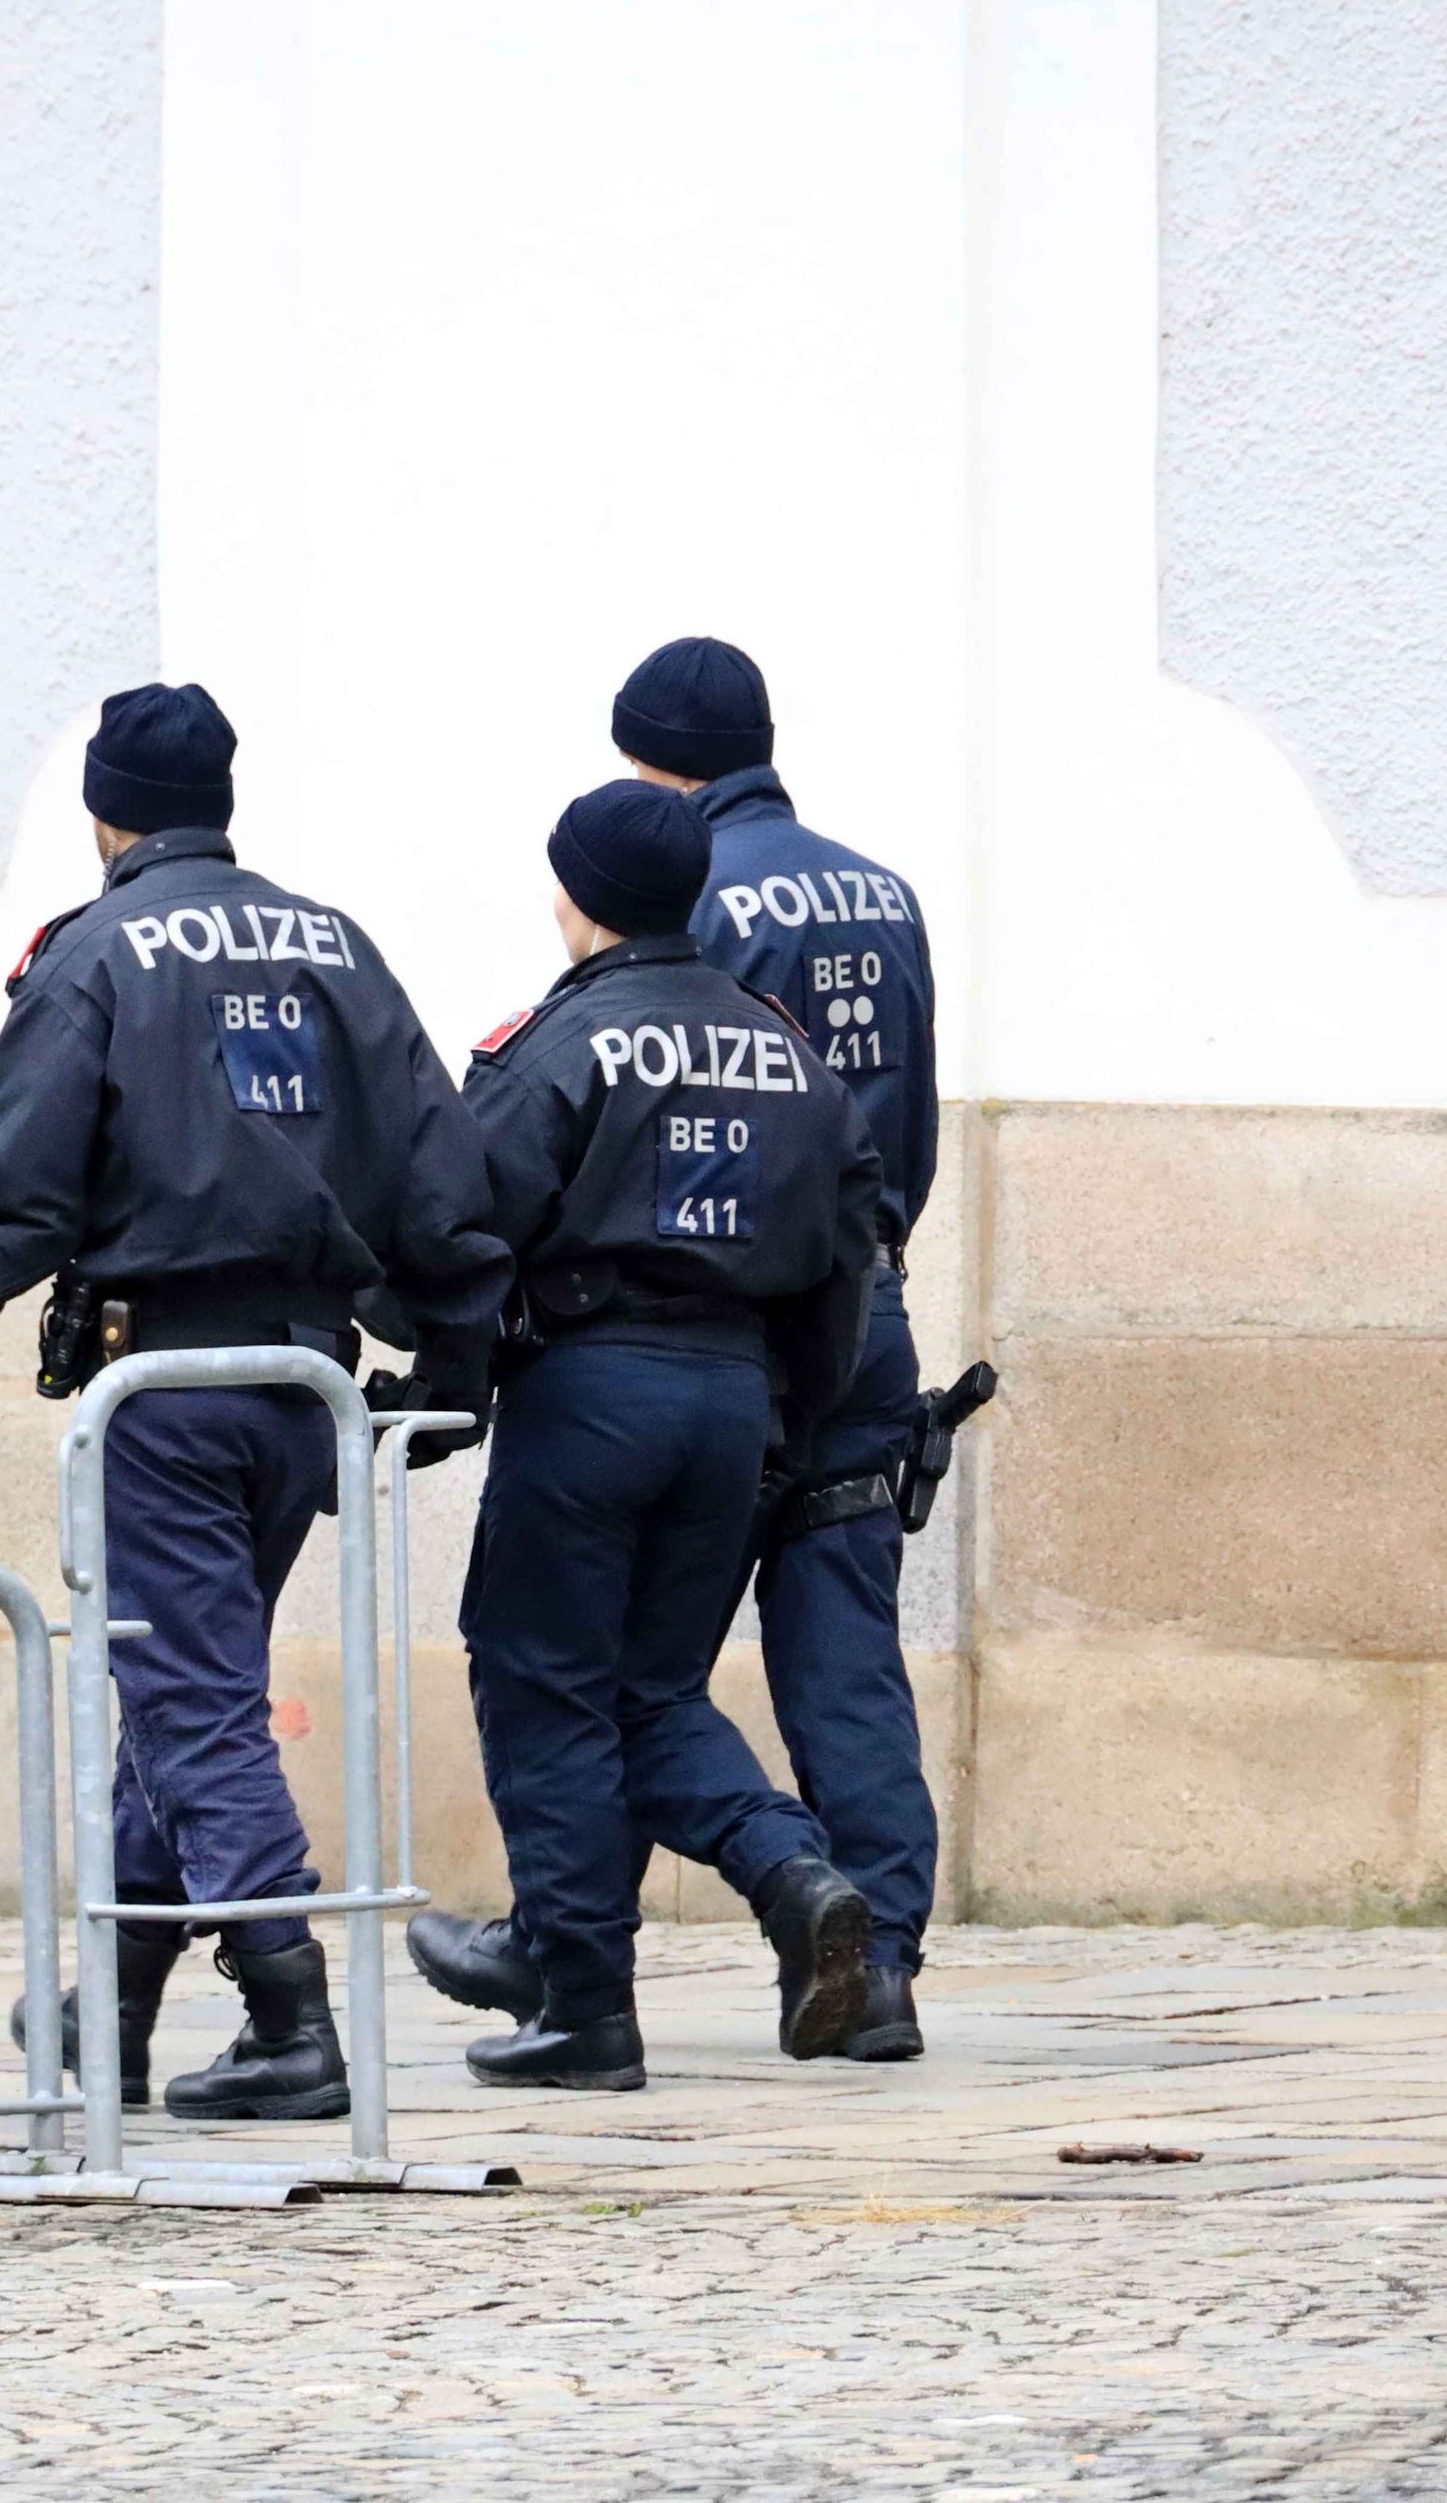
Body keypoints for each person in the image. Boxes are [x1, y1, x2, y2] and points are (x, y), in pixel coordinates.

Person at [0, 682, 505, 2122]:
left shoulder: (99, 949)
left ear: (107, 813)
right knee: (182, 1694)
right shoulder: (332, 945)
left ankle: (291, 2015)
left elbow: (20, 1155)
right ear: (221, 806)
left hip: (162, 1388)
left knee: (194, 1698)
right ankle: (110, 2011)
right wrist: (460, 1353)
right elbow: (435, 1160)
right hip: (301, 1386)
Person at [401, 781, 886, 2090]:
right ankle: (794, 1874)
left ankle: (583, 2005)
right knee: (652, 1692)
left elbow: (459, 1228)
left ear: (581, 896)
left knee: (545, 1684)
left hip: (592, 1395)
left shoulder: (560, 1043)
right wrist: (791, 1410)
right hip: (734, 1401)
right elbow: (851, 1256)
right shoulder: (785, 1047)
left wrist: (439, 1375)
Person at [608, 635, 946, 2060]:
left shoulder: (699, 891)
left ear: (657, 768)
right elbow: (912, 1106)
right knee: (843, 1655)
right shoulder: (884, 888)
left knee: (627, 1659)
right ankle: (881, 1972)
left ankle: (575, 1963)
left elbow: (695, 1106)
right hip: (870, 1303)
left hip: (740, 1326)